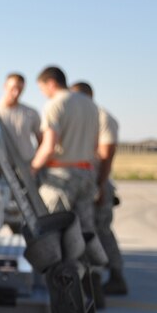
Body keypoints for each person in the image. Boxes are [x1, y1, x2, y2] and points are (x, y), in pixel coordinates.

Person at [71, 81, 128, 295]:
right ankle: (105, 277)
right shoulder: (88, 116)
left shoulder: (102, 117)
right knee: (92, 230)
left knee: (99, 230)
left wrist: (101, 185)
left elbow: (107, 154)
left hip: (97, 183)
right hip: (89, 182)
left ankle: (111, 276)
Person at [31, 66, 101, 241]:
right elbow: (95, 145)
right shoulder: (91, 105)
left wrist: (32, 168)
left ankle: (61, 260)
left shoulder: (54, 105)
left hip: (62, 177)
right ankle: (86, 258)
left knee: (55, 229)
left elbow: (49, 146)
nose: (43, 93)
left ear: (51, 83)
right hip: (87, 174)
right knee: (85, 230)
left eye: (42, 88)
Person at [0, 73, 42, 162]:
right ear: (5, 86)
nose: (16, 93)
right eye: (13, 88)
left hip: (26, 163)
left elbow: (41, 140)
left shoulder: (31, 113)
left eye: (20, 90)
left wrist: (36, 163)